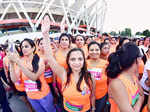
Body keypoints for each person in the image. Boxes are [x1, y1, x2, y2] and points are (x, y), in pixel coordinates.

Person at [42, 15, 95, 112]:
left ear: (84, 60)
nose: (77, 63)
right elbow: (49, 57)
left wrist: (93, 108)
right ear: (68, 61)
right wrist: (45, 35)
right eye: (73, 59)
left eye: (80, 59)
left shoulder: (89, 77)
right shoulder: (63, 74)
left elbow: (92, 95)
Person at [8, 38, 56, 112]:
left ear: (33, 48)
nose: (24, 49)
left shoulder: (39, 60)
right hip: (31, 96)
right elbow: (15, 79)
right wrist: (11, 63)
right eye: (22, 47)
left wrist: (18, 62)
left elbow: (34, 77)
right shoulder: (21, 61)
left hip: (43, 94)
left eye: (26, 46)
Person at [107, 42, 144, 112]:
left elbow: (142, 95)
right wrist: (139, 101)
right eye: (140, 57)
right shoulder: (118, 83)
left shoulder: (133, 76)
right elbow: (141, 97)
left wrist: (139, 102)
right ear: (136, 60)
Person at [87, 41, 108, 112]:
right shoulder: (84, 63)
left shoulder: (106, 64)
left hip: (102, 95)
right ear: (88, 51)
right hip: (86, 96)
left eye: (97, 50)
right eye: (91, 50)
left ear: (100, 51)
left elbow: (110, 80)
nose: (94, 52)